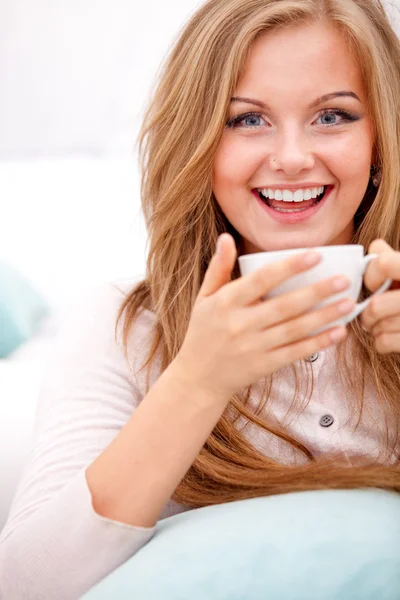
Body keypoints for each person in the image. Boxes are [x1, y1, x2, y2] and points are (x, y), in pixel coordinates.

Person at [1, 0, 400, 597]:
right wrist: (197, 383)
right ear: (200, 145)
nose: (292, 158)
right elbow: (25, 585)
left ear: (380, 143)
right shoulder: (122, 327)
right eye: (246, 120)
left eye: (332, 116)